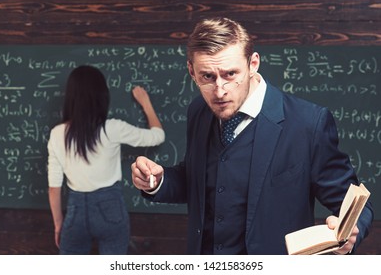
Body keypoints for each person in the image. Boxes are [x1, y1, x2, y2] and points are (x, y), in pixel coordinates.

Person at [131, 17, 373, 255]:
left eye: (230, 74)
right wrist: (157, 181)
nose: (219, 91)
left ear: (253, 64)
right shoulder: (199, 111)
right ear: (191, 71)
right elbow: (199, 180)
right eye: (207, 77)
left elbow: (355, 206)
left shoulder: (308, 123)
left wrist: (351, 231)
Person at [47, 65, 165, 254]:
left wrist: (59, 224)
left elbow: (54, 188)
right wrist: (146, 103)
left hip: (75, 211)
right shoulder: (112, 129)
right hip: (111, 208)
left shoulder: (57, 134)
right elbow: (157, 136)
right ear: (102, 96)